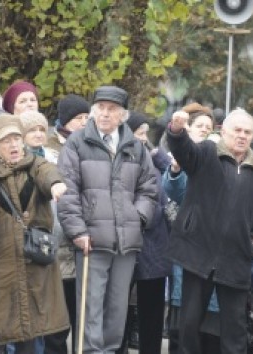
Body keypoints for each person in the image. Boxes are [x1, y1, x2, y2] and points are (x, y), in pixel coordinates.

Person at [57, 86, 158, 353]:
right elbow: (67, 190)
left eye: (111, 109)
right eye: (100, 107)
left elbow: (149, 188)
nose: (104, 113)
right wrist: (78, 230)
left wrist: (137, 217)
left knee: (117, 309)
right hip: (91, 240)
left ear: (122, 115)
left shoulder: (136, 146)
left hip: (126, 242)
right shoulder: (77, 142)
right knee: (90, 310)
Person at [166, 107, 253, 354]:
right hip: (197, 254)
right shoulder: (205, 154)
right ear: (223, 131)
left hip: (236, 259)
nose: (242, 136)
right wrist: (177, 131)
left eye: (248, 132)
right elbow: (183, 151)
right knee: (189, 327)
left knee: (235, 331)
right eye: (237, 130)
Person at [0, 114, 69, 353]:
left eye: (17, 138)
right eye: (6, 140)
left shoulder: (36, 165)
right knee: (1, 331)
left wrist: (56, 184)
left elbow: (48, 173)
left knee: (32, 331)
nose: (14, 145)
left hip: (34, 263)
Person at [160, 102, 221, 354]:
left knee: (211, 327)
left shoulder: (218, 156)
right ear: (187, 129)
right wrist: (176, 168)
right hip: (188, 245)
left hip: (215, 247)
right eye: (199, 126)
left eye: (209, 127)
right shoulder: (181, 160)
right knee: (184, 322)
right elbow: (173, 190)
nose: (205, 131)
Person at [117, 111, 172, 354]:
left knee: (152, 311)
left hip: (154, 246)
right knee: (119, 308)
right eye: (139, 132)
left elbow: (170, 175)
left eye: (146, 133)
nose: (143, 138)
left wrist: (155, 153)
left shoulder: (155, 161)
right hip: (126, 241)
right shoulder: (120, 158)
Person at [42, 93, 91, 354]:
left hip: (82, 245)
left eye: (86, 117)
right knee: (57, 326)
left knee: (81, 320)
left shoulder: (91, 146)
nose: (84, 122)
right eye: (78, 118)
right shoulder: (49, 150)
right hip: (56, 243)